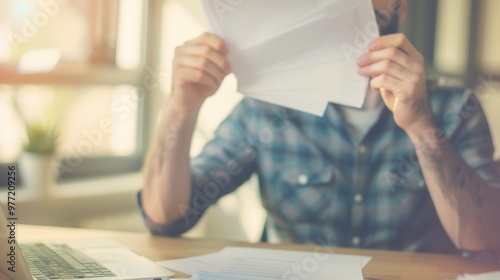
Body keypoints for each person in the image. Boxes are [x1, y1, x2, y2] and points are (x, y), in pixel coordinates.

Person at [138, 0, 500, 254]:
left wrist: (422, 125)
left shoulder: (455, 107)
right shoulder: (268, 108)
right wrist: (181, 105)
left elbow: (484, 240)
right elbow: (165, 216)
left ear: (399, 4)